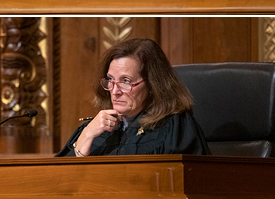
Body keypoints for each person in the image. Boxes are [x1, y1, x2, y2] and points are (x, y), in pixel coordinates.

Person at [56, 38, 210, 157]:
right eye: (110, 80)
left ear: (152, 85)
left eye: (126, 81)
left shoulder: (174, 128)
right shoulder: (93, 129)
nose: (115, 91)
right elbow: (56, 181)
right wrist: (86, 137)